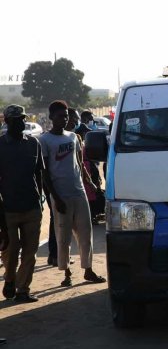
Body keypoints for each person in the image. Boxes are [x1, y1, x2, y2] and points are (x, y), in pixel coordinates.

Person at [39, 100, 106, 287]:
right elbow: (45, 173)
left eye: (66, 116)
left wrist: (90, 182)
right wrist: (55, 197)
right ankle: (66, 273)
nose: (64, 119)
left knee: (86, 233)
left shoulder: (73, 137)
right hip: (60, 196)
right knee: (63, 236)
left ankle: (88, 270)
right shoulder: (44, 140)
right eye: (60, 116)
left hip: (79, 192)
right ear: (51, 117)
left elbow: (79, 163)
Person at [0, 105, 45, 303]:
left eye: (23, 118)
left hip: (32, 206)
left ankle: (22, 289)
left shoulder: (33, 143)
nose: (21, 122)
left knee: (30, 251)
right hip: (7, 209)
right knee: (10, 249)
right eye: (16, 119)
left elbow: (39, 173)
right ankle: (9, 279)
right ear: (6, 121)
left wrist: (42, 199)